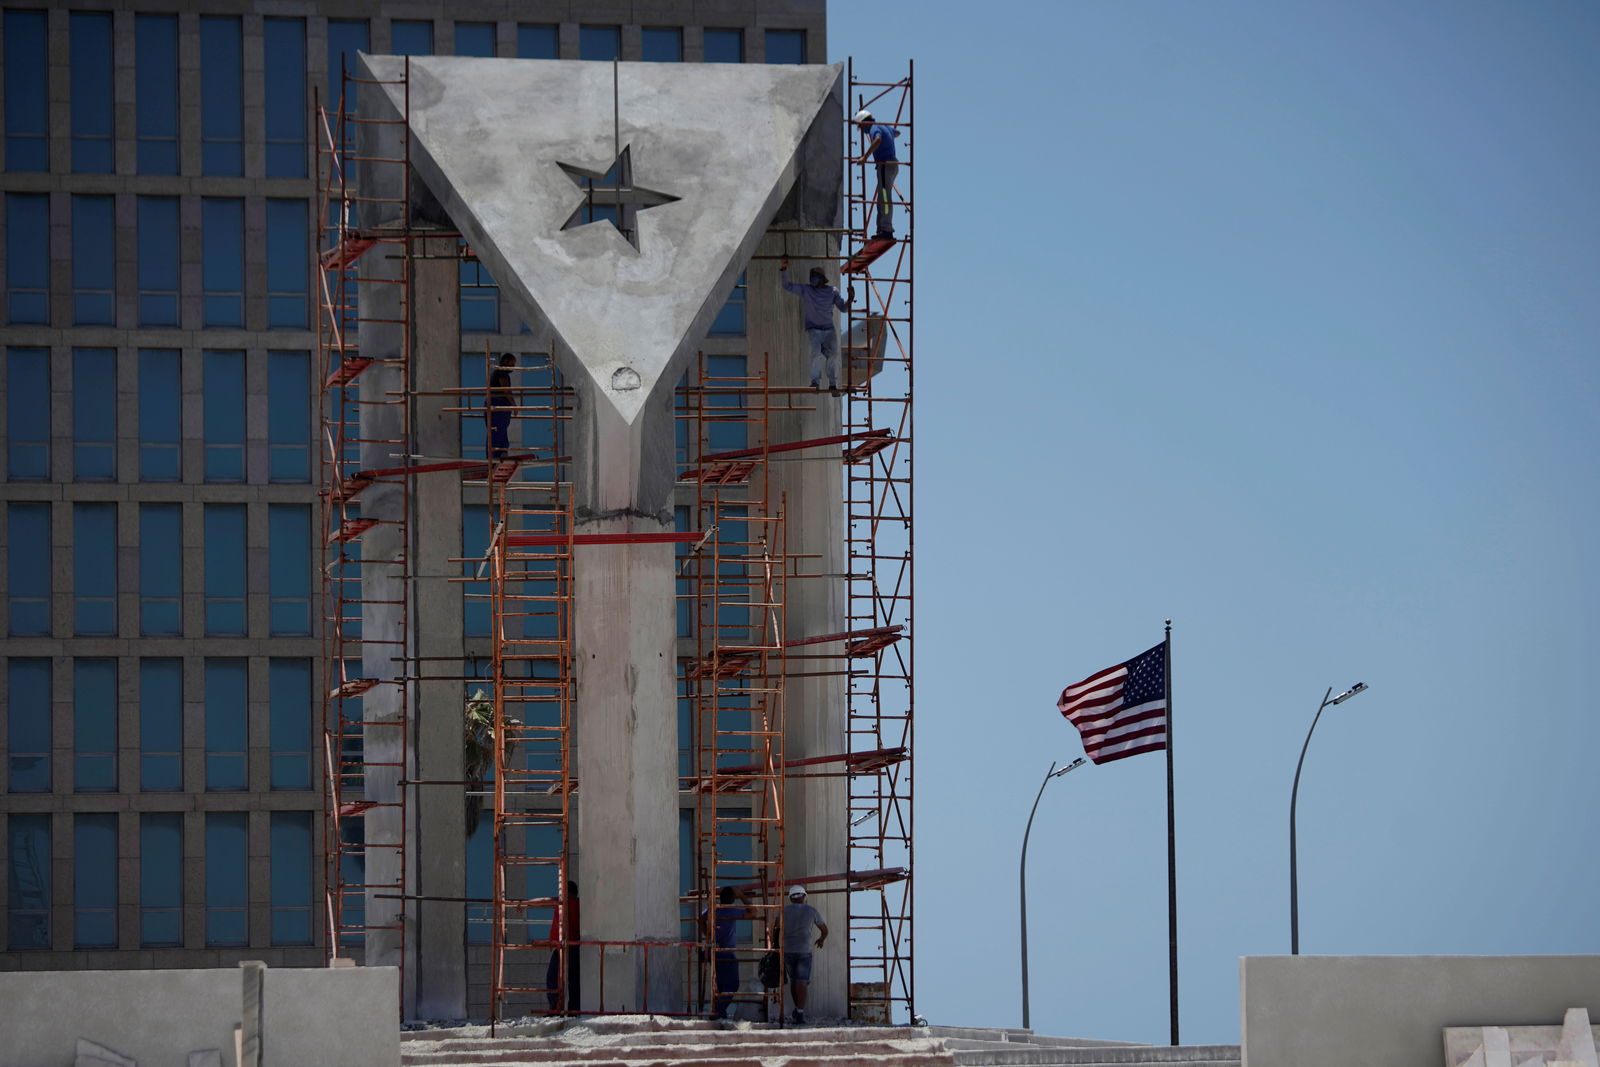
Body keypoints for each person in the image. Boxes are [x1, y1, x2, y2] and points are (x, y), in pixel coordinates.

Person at [778, 260, 854, 395]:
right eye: (811, 276)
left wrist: (850, 298)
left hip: (828, 330)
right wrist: (783, 269)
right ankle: (815, 382)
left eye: (815, 276)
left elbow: (843, 308)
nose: (812, 279)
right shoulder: (807, 290)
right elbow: (788, 286)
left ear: (822, 279)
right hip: (813, 329)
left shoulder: (832, 291)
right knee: (815, 354)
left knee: (834, 355)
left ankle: (833, 384)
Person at [773, 885, 827, 1025]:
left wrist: (775, 945)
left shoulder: (783, 911)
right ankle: (800, 1013)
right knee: (801, 982)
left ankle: (798, 1011)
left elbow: (776, 928)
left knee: (794, 981)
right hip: (804, 951)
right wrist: (821, 939)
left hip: (788, 951)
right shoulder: (811, 911)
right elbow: (824, 929)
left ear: (791, 898)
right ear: (804, 896)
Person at [701, 884, 753, 1019]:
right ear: (733, 899)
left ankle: (718, 1011)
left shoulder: (714, 909)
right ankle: (718, 1010)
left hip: (713, 951)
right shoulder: (731, 910)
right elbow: (753, 912)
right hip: (727, 953)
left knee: (719, 984)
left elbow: (700, 918)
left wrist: (708, 934)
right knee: (732, 984)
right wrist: (742, 895)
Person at [853, 110, 900, 240]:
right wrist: (888, 135)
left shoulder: (874, 128)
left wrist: (865, 157)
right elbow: (897, 133)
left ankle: (886, 230)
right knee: (883, 197)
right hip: (892, 165)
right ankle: (882, 229)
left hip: (885, 165)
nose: (862, 130)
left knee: (884, 198)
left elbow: (878, 139)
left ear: (865, 122)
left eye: (861, 126)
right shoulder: (883, 126)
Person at [545, 880, 580, 1013]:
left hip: (565, 947)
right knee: (573, 979)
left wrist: (524, 905)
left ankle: (556, 1007)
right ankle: (573, 1008)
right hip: (572, 946)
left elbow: (543, 900)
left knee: (554, 978)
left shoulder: (563, 903)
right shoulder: (578, 903)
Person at [486, 353, 515, 459]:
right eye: (512, 364)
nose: (513, 368)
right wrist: (513, 405)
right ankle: (496, 455)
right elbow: (506, 389)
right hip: (498, 404)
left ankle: (500, 452)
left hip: (496, 404)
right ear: (505, 361)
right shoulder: (501, 372)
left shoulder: (497, 373)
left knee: (498, 430)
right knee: (498, 429)